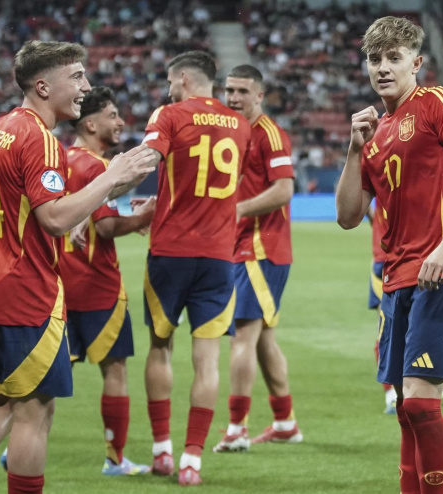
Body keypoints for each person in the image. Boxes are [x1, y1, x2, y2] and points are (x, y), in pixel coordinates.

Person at [0, 41, 153, 494]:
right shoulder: (41, 139)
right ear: (42, 85)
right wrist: (110, 177)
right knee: (35, 410)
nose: (85, 87)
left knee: (4, 402)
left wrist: (103, 187)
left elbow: (28, 208)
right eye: (76, 77)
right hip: (23, 293)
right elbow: (53, 219)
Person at [335, 17, 443, 494]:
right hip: (397, 277)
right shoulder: (376, 132)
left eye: (394, 58)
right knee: (406, 409)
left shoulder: (437, 103)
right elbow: (347, 216)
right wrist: (352, 149)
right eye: (374, 59)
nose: (383, 68)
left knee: (422, 405)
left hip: (442, 273)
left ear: (416, 63)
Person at [0, 87, 156, 476]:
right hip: (98, 287)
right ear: (90, 122)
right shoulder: (98, 167)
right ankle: (115, 460)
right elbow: (104, 227)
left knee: (37, 381)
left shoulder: (58, 159)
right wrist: (143, 217)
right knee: (115, 371)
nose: (120, 122)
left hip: (58, 288)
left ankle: (13, 449)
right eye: (113, 115)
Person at [140, 51, 252, 486]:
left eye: (170, 81)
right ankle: (192, 460)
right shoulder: (240, 126)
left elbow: (149, 162)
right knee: (208, 361)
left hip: (170, 250)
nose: (168, 89)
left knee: (160, 346)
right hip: (219, 255)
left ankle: (162, 450)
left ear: (184, 79)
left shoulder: (169, 114)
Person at [213, 64, 300, 453]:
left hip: (261, 248)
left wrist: (238, 211)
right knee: (263, 340)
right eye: (229, 90)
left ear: (259, 95)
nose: (233, 97)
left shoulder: (270, 134)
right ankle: (285, 422)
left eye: (242, 91)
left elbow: (284, 190)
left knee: (242, 338)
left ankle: (236, 428)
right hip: (241, 247)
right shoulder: (229, 131)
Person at [366, 199, 397, 414]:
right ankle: (391, 393)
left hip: (385, 258)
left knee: (389, 326)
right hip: (391, 261)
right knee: (388, 328)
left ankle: (394, 393)